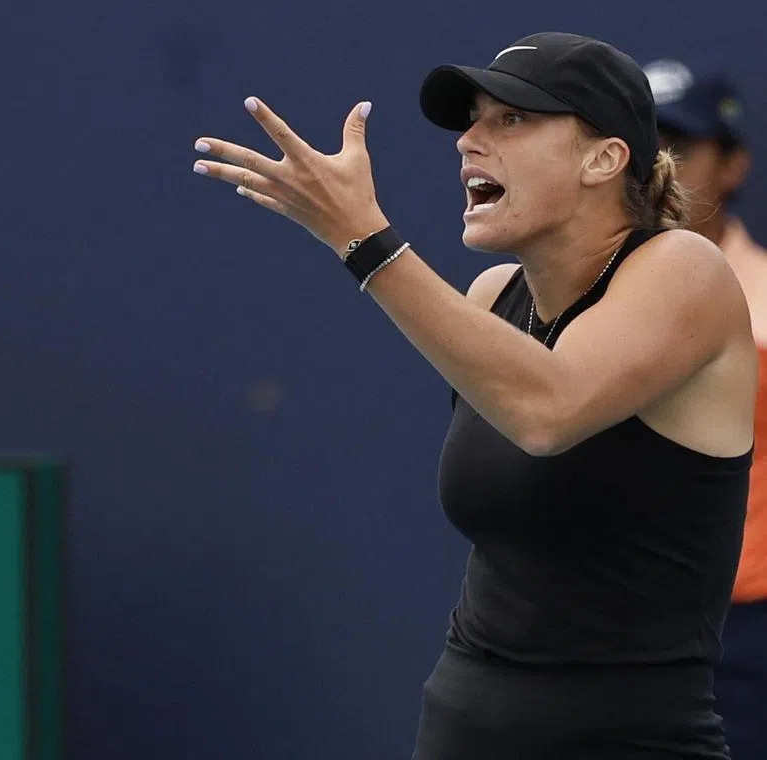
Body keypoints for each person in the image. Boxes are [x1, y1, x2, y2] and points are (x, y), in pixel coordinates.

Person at [191, 32, 758, 759]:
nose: (469, 142)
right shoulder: (493, 297)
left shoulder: (687, 271)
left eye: (511, 120)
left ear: (604, 157)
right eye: (472, 120)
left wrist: (363, 238)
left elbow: (549, 412)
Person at [644, 57, 767, 759]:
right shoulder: (567, 298)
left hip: (740, 627)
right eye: (643, 149)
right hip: (606, 624)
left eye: (680, 150)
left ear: (732, 164)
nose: (659, 171)